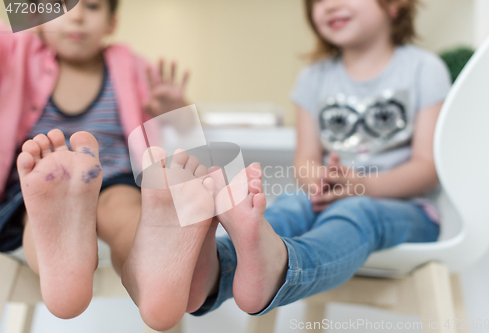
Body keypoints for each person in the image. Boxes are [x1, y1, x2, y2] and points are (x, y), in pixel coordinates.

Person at [180, 0, 451, 326]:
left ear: (394, 5)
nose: (330, 5)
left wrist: (363, 187)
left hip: (409, 210)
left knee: (354, 210)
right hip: (329, 198)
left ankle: (283, 267)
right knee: (290, 206)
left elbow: (427, 167)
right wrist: (321, 182)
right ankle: (212, 270)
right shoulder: (313, 78)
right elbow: (306, 162)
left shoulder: (424, 68)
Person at [0, 0, 191, 323]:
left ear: (111, 23)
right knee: (39, 214)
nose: (75, 17)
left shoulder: (132, 66)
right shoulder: (18, 52)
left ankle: (152, 277)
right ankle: (62, 263)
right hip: (43, 181)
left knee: (125, 212)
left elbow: (186, 129)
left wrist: (176, 108)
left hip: (114, 177)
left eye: (91, 6)